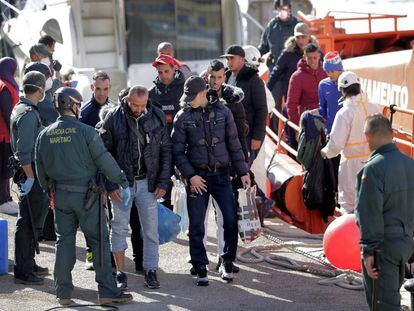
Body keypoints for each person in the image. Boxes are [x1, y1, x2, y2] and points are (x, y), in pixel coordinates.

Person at [35, 87, 132, 306]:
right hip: (88, 197)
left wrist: (50, 191)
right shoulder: (87, 132)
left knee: (64, 242)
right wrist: (121, 180)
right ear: (73, 105)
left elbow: (40, 169)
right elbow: (104, 160)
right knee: (98, 241)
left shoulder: (44, 134)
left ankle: (63, 293)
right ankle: (107, 291)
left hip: (60, 196)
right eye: (78, 103)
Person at [171, 76, 250, 286]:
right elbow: (177, 152)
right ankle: (199, 265)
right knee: (196, 224)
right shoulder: (182, 116)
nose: (188, 100)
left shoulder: (224, 112)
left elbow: (234, 144)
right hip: (197, 177)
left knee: (231, 219)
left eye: (192, 96)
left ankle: (227, 261)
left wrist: (243, 171)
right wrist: (190, 175)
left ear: (202, 93)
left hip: (222, 175)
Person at [100, 86, 172, 290]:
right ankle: (121, 273)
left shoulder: (156, 114)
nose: (139, 109)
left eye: (142, 105)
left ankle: (151, 270)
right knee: (119, 228)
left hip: (148, 183)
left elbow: (166, 148)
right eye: (134, 105)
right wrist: (110, 183)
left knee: (150, 230)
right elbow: (103, 153)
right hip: (122, 184)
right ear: (127, 101)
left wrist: (162, 182)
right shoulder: (113, 117)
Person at [355, 114, 414, 311]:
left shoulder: (372, 169)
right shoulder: (410, 164)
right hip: (404, 244)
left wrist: (368, 250)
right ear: (392, 133)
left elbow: (368, 213)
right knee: (391, 296)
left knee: (383, 304)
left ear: (367, 137)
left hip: (383, 247)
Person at [10, 71, 50, 285]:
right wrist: (31, 177)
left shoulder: (23, 108)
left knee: (31, 220)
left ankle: (28, 262)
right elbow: (24, 151)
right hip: (29, 170)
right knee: (27, 221)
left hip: (30, 170)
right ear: (40, 89)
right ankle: (23, 269)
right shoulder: (27, 113)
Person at [321, 71, 380, 213]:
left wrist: (324, 153)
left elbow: (336, 144)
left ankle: (350, 234)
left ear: (342, 90)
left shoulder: (345, 112)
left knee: (349, 203)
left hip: (351, 165)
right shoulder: (374, 108)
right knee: (372, 201)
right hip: (374, 161)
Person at [222, 45, 267, 167]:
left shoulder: (254, 80)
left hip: (248, 134)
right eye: (227, 59)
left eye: (232, 58)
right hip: (230, 133)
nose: (229, 62)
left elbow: (262, 110)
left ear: (242, 59)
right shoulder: (224, 77)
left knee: (243, 169)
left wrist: (257, 137)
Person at [286, 42, 327, 149]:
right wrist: (296, 128)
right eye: (309, 58)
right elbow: (291, 104)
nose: (312, 61)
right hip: (308, 123)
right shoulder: (297, 77)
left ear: (319, 56)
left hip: (327, 121)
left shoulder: (326, 72)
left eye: (315, 57)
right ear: (304, 57)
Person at [266, 22, 315, 111]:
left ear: (309, 36)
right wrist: (265, 92)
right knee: (290, 124)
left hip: (312, 103)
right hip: (292, 102)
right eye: (297, 37)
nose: (300, 40)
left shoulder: (317, 53)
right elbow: (275, 73)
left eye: (303, 37)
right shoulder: (287, 54)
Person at [0, 57, 19, 215]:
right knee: (4, 169)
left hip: (4, 134)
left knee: (5, 168)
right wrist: (14, 132)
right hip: (3, 135)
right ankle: (2, 200)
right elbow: (7, 113)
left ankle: (6, 198)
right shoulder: (4, 87)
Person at [149, 54, 185, 135]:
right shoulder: (151, 93)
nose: (163, 75)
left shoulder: (185, 90)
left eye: (166, 71)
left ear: (174, 69)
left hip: (182, 139)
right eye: (160, 72)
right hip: (160, 141)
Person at [258, 0, 298, 71]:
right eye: (280, 8)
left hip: (291, 69)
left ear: (289, 8)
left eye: (284, 8)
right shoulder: (272, 26)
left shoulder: (297, 25)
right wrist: (255, 58)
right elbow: (263, 47)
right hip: (275, 69)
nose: (282, 10)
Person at [317, 51, 344, 134]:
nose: (329, 74)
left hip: (349, 134)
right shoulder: (323, 85)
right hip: (331, 132)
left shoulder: (351, 82)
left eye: (332, 71)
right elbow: (322, 109)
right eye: (327, 71)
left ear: (340, 69)